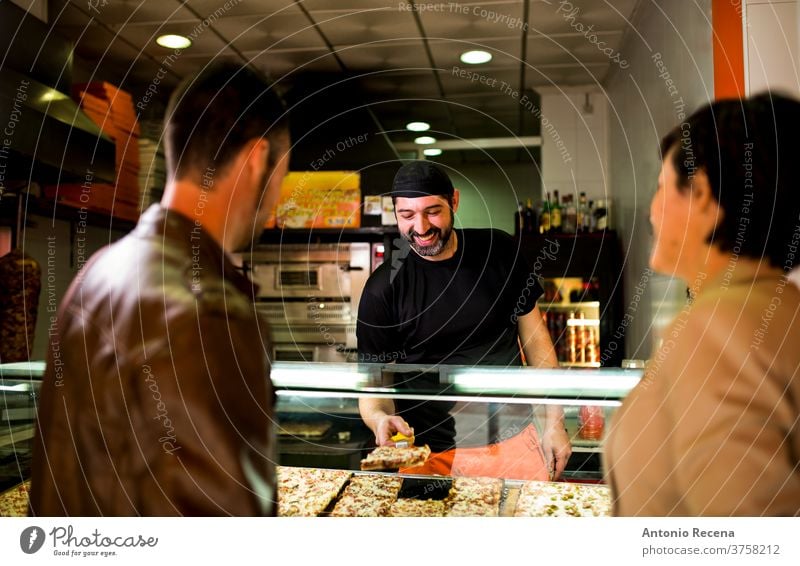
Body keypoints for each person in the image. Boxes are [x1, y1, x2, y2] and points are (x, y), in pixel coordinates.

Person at [29, 63, 290, 515]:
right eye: (282, 175)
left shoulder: (97, 271)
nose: (276, 199)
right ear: (255, 160)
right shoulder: (207, 314)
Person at [605, 92, 800, 516]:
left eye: (661, 188)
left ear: (703, 196)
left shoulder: (719, 328)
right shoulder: (781, 308)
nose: (653, 211)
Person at [357, 161, 572, 480]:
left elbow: (536, 342)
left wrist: (554, 423)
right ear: (396, 213)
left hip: (513, 442)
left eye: (433, 211)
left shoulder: (499, 251)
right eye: (407, 215)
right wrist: (378, 419)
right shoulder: (382, 289)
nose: (421, 227)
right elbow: (372, 388)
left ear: (454, 201)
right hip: (430, 456)